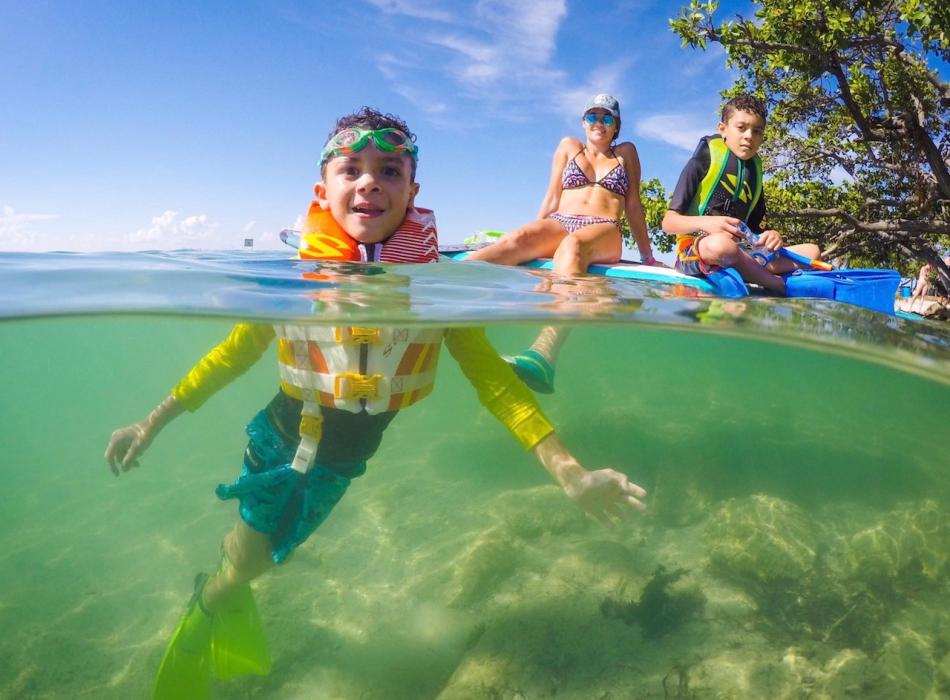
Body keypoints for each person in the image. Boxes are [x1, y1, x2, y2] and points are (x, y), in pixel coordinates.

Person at [104, 107, 648, 699]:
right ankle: (208, 604)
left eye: (389, 170)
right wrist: (150, 421)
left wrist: (569, 474)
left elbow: (499, 387)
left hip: (346, 458)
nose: (369, 181)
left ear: (412, 190)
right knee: (249, 565)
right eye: (351, 169)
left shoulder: (436, 295)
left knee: (266, 559)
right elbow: (229, 358)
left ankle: (226, 586)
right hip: (280, 437)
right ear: (324, 188)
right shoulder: (295, 282)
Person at [467, 94, 662, 393]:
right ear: (584, 122)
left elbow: (633, 204)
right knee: (516, 240)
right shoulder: (568, 146)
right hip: (561, 220)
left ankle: (543, 356)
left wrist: (647, 255)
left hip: (604, 228)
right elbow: (551, 197)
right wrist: (531, 237)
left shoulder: (626, 153)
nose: (599, 122)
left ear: (616, 126)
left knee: (572, 247)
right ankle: (434, 289)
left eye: (607, 118)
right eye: (593, 116)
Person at [662, 94, 822, 295]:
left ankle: (746, 269)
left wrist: (771, 236)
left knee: (811, 251)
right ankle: (774, 283)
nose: (749, 136)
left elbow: (756, 232)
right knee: (722, 246)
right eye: (741, 128)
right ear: (723, 129)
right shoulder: (702, 160)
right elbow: (668, 223)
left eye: (757, 131)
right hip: (697, 249)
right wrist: (707, 223)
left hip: (743, 251)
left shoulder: (754, 174)